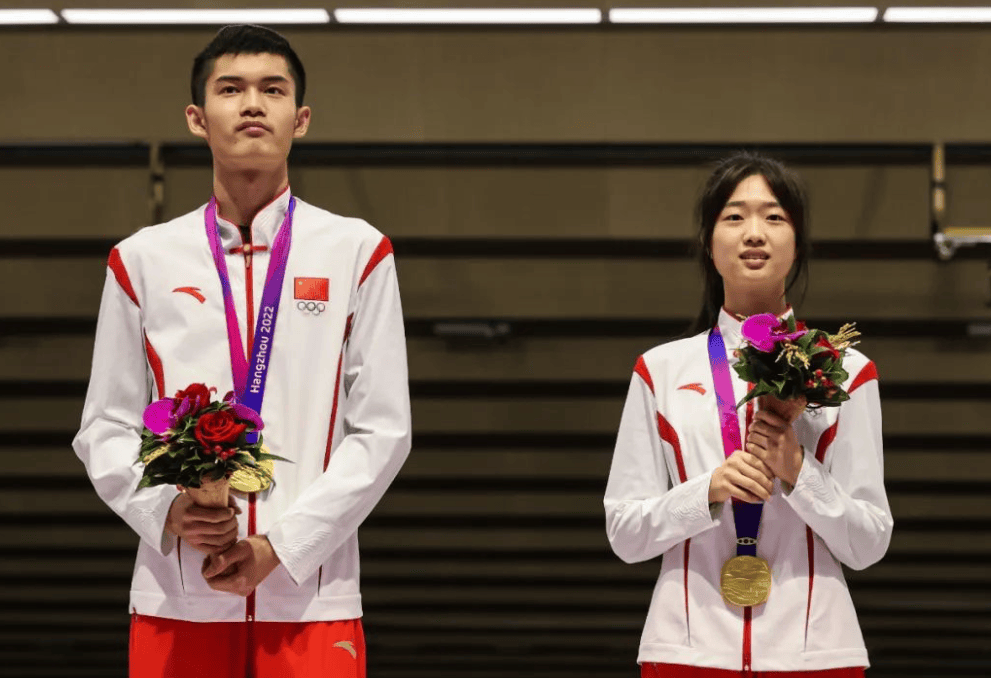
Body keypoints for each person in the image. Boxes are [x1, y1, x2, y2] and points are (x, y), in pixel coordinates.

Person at [73, 24, 411, 678]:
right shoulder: (142, 259)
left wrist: (281, 546)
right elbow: (103, 426)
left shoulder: (356, 252)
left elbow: (382, 429)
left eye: (271, 89)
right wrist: (165, 509)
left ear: (300, 118)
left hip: (311, 600)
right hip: (177, 595)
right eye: (231, 89)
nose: (252, 104)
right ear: (198, 118)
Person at [604, 152, 892, 677]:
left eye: (774, 217)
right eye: (734, 217)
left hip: (817, 654)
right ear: (708, 245)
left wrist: (800, 472)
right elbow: (624, 533)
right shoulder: (660, 370)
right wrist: (705, 490)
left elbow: (869, 541)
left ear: (797, 244)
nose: (754, 232)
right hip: (685, 650)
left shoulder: (848, 370)